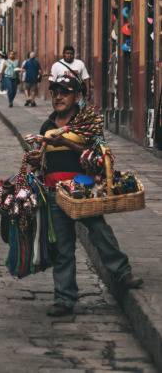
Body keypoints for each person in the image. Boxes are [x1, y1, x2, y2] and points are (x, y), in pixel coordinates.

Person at [28, 74, 142, 317]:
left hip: (84, 193)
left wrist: (67, 142)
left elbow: (98, 153)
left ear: (77, 97)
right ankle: (64, 298)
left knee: (100, 231)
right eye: (54, 92)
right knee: (62, 247)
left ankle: (123, 273)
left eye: (64, 92)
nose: (57, 97)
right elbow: (42, 159)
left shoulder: (87, 123)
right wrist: (35, 159)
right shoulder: (47, 126)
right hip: (56, 194)